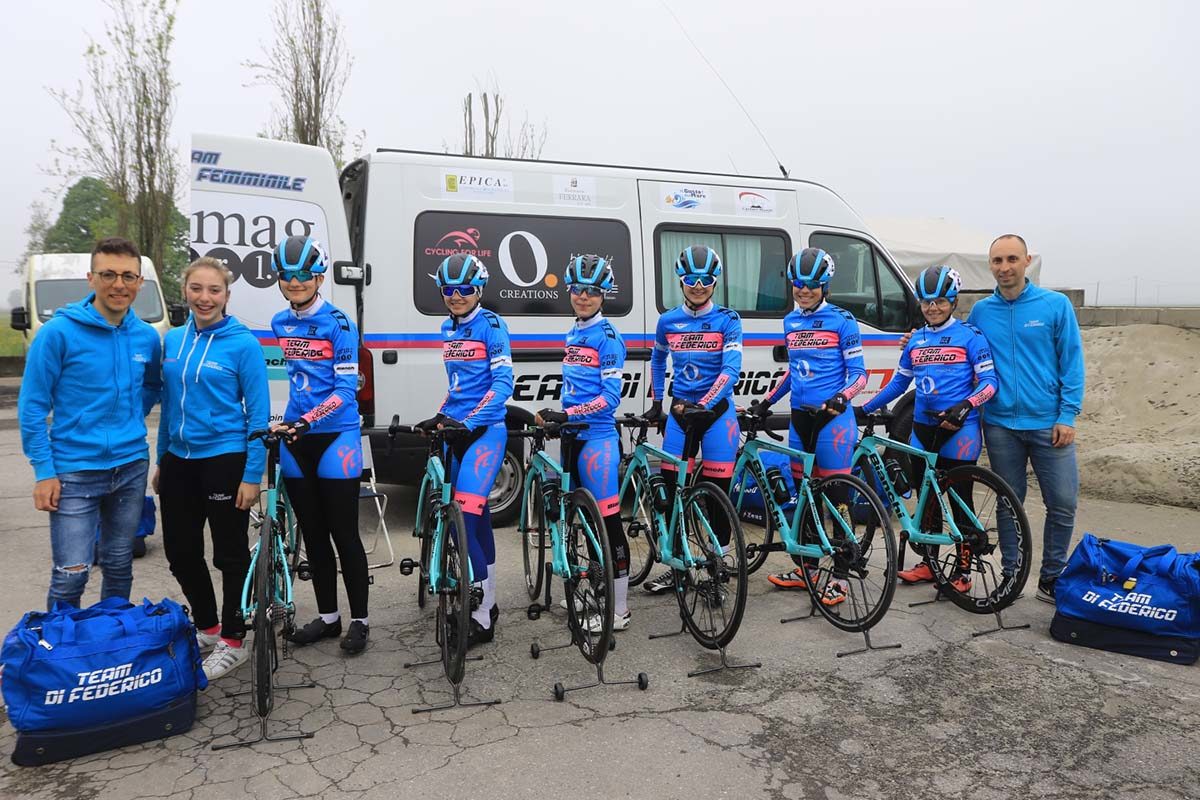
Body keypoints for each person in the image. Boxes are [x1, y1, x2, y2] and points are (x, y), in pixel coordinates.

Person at [18, 237, 162, 609]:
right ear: (91, 278)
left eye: (128, 276)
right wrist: (43, 471)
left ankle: (108, 646)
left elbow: (151, 385)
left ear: (140, 283)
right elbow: (32, 406)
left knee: (119, 564)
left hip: (130, 468)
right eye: (108, 274)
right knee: (71, 573)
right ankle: (59, 655)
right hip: (74, 471)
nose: (119, 284)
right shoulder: (57, 334)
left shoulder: (146, 337)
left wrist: (132, 414)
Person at [153, 257, 270, 680]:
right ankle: (208, 627)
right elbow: (170, 406)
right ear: (185, 290)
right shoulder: (173, 341)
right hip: (179, 462)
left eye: (214, 290)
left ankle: (235, 639)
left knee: (230, 555)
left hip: (225, 459)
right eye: (197, 288)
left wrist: (252, 475)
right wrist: (162, 459)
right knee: (180, 553)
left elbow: (259, 414)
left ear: (226, 295)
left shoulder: (243, 344)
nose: (205, 297)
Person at [859, 265, 999, 589]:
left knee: (959, 499)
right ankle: (929, 561)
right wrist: (863, 408)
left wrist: (966, 405)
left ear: (953, 301)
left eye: (939, 301)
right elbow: (899, 384)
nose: (932, 308)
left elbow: (990, 383)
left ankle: (964, 571)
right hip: (922, 429)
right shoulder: (916, 339)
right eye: (926, 302)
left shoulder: (971, 336)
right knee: (927, 500)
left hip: (958, 429)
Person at [967, 234, 1083, 603]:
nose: (1005, 267)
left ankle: (1051, 577)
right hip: (1000, 424)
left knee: (1062, 503)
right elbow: (956, 348)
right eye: (997, 261)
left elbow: (1072, 362)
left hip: (1050, 424)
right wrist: (914, 343)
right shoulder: (981, 312)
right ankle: (1012, 575)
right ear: (991, 265)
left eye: (1012, 259)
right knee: (1007, 500)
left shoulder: (1055, 306)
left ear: (1027, 261)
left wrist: (1067, 414)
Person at [269, 235, 371, 654]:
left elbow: (346, 389)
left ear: (319, 276)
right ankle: (329, 617)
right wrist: (288, 422)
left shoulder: (340, 323)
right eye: (287, 276)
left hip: (335, 435)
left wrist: (307, 421)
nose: (295, 283)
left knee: (344, 533)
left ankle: (361, 620)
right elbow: (296, 380)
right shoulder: (279, 323)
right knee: (312, 533)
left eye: (304, 276)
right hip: (298, 436)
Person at [750, 248, 866, 605]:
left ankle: (843, 577)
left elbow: (859, 374)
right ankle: (808, 568)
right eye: (798, 284)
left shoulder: (843, 320)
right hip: (800, 418)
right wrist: (767, 401)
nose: (804, 290)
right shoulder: (791, 321)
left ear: (825, 285)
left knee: (836, 497)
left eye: (812, 285)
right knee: (805, 494)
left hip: (832, 419)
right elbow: (793, 371)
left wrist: (842, 399)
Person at [416, 253, 513, 647]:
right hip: (458, 429)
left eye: (465, 290)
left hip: (485, 431)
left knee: (466, 517)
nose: (456, 297)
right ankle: (487, 603)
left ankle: (481, 618)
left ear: (479, 290)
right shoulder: (447, 327)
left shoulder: (492, 325)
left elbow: (503, 384)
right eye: (448, 290)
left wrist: (468, 421)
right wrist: (440, 415)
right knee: (477, 520)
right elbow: (458, 387)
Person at [536, 255, 631, 630]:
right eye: (577, 289)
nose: (583, 297)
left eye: (592, 291)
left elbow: (610, 399)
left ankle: (619, 610)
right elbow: (574, 389)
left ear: (603, 293)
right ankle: (596, 590)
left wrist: (569, 416)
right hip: (573, 438)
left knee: (607, 526)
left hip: (597, 441)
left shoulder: (608, 336)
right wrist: (559, 415)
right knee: (582, 521)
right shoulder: (574, 331)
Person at [642, 245, 742, 594]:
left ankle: (718, 567)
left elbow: (731, 370)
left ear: (715, 282)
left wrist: (707, 402)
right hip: (680, 416)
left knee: (717, 497)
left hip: (716, 416)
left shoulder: (728, 320)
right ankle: (678, 566)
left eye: (706, 280)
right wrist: (657, 402)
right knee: (672, 493)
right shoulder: (668, 321)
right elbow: (657, 361)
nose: (697, 286)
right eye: (690, 279)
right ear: (680, 279)